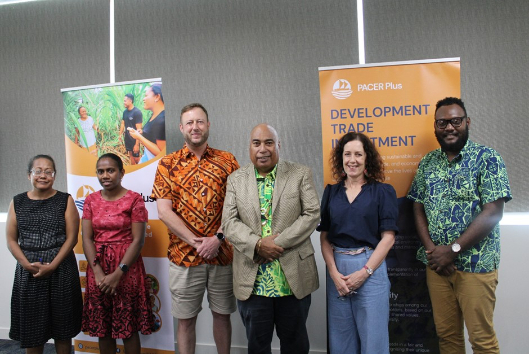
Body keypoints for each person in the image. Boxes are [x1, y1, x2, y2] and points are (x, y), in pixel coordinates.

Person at [407, 97, 512, 353]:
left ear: (467, 122)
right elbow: (417, 205)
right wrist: (433, 250)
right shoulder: (428, 163)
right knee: (447, 338)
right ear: (435, 127)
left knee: (482, 340)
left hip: (476, 266)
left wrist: (451, 250)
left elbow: (493, 212)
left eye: (455, 121)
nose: (449, 127)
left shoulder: (488, 158)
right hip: (438, 268)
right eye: (442, 122)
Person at [222, 124, 320, 354]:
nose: (262, 149)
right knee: (257, 346)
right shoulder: (236, 179)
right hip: (253, 282)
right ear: (250, 147)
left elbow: (312, 213)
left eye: (269, 142)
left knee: (295, 344)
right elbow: (229, 223)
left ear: (278, 145)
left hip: (292, 278)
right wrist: (257, 244)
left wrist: (277, 243)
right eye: (256, 143)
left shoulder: (300, 173)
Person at [151, 103, 239, 354]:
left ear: (208, 125)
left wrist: (218, 239)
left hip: (222, 255)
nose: (195, 127)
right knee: (186, 320)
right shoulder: (167, 164)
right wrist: (198, 241)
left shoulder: (228, 160)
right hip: (183, 257)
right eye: (189, 123)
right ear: (181, 128)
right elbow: (163, 211)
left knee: (222, 315)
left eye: (200, 121)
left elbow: (237, 206)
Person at [318, 132, 398, 354]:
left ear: (367, 158)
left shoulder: (383, 192)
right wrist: (334, 273)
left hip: (370, 269)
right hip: (338, 273)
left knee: (374, 343)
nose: (352, 160)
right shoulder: (331, 192)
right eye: (347, 154)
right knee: (341, 343)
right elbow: (324, 237)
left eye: (358, 154)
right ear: (341, 158)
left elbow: (388, 237)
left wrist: (365, 271)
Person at [6, 154, 83, 354]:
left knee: (62, 329)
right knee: (33, 330)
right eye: (38, 171)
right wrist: (26, 264)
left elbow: (72, 238)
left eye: (49, 171)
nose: (43, 175)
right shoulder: (17, 202)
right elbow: (11, 240)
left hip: (61, 270)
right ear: (29, 175)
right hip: (29, 271)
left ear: (54, 176)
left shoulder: (65, 200)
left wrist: (53, 265)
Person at [81, 153, 153, 354]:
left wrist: (118, 274)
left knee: (128, 328)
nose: (105, 175)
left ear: (122, 172)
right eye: (101, 171)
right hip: (98, 267)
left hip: (126, 269)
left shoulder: (134, 200)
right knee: (103, 328)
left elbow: (138, 240)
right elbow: (86, 238)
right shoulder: (90, 200)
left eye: (110, 170)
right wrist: (98, 274)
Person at [128, 84, 166, 163]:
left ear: (157, 97)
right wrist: (142, 133)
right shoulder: (155, 115)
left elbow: (161, 153)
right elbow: (154, 136)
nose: (143, 99)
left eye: (146, 96)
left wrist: (139, 137)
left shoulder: (162, 119)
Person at [119, 93, 143, 165]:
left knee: (137, 159)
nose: (124, 102)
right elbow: (123, 123)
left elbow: (139, 130)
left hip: (134, 140)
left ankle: (142, 172)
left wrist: (137, 145)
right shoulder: (125, 112)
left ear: (130, 101)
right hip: (128, 139)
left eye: (125, 101)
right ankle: (134, 173)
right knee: (131, 156)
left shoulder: (137, 112)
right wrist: (120, 135)